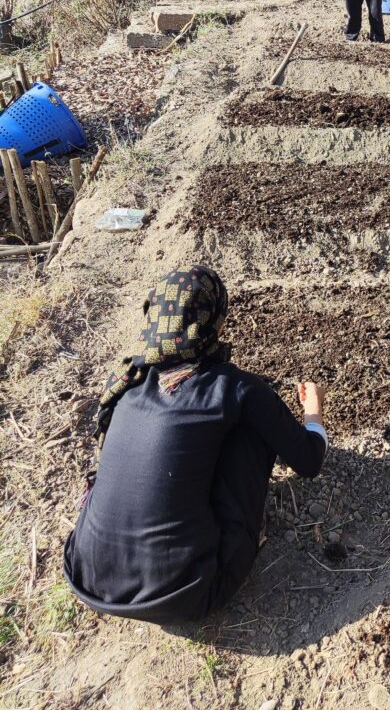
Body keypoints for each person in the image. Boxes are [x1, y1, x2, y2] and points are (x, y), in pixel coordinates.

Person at [63, 266, 328, 624]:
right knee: (247, 432)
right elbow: (309, 460)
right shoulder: (234, 388)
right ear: (216, 321)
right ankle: (233, 543)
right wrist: (314, 412)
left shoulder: (126, 382)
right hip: (188, 592)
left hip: (88, 576)